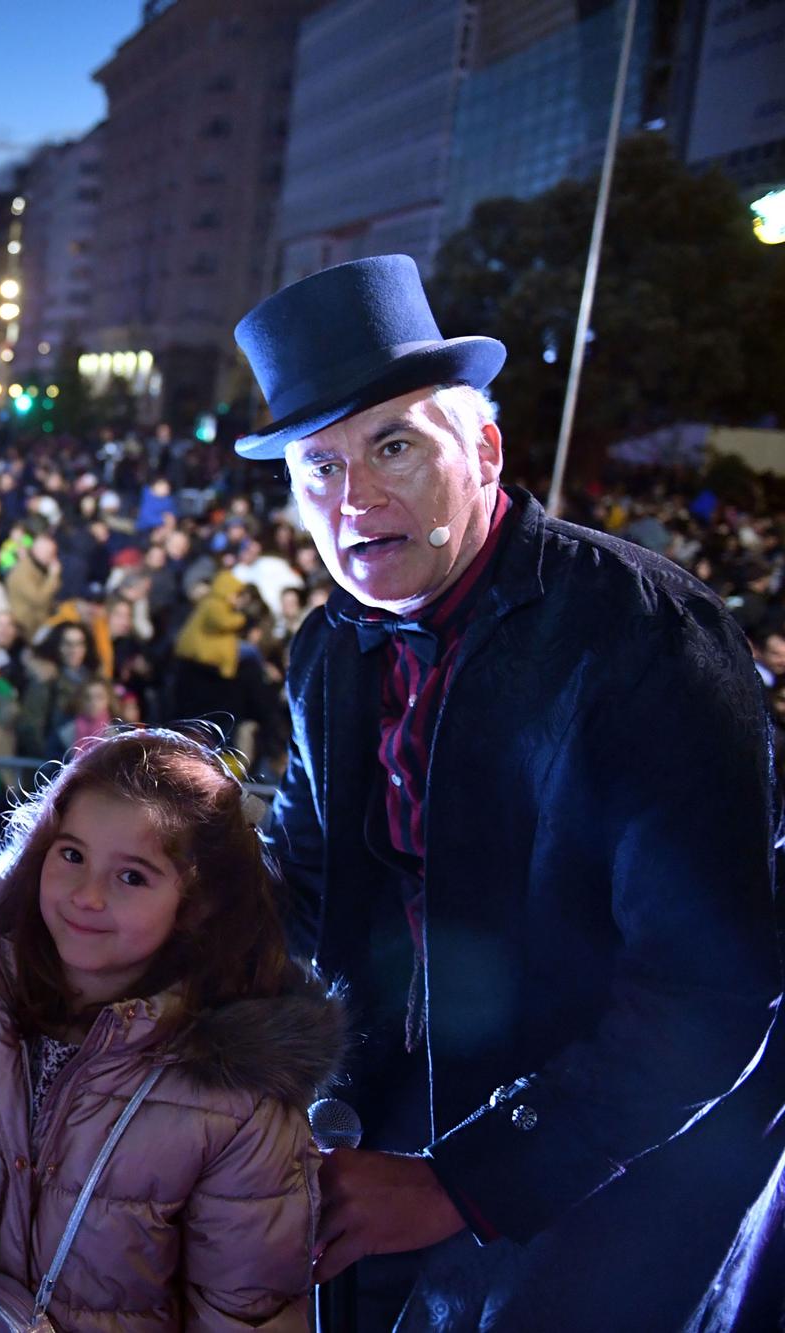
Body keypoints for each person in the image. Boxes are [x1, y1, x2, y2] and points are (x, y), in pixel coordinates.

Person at [235, 255, 779, 1328]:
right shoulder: (327, 649)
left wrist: (462, 1183)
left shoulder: (643, 639)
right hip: (382, 1140)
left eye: (392, 445)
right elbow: (302, 879)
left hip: (611, 1188)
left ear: (481, 449)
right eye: (318, 467)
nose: (354, 498)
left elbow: (707, 994)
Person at [0, 725, 344, 1332]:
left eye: (132, 877)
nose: (87, 896)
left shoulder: (235, 1099)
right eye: (71, 855)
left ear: (196, 904)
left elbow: (247, 1313)